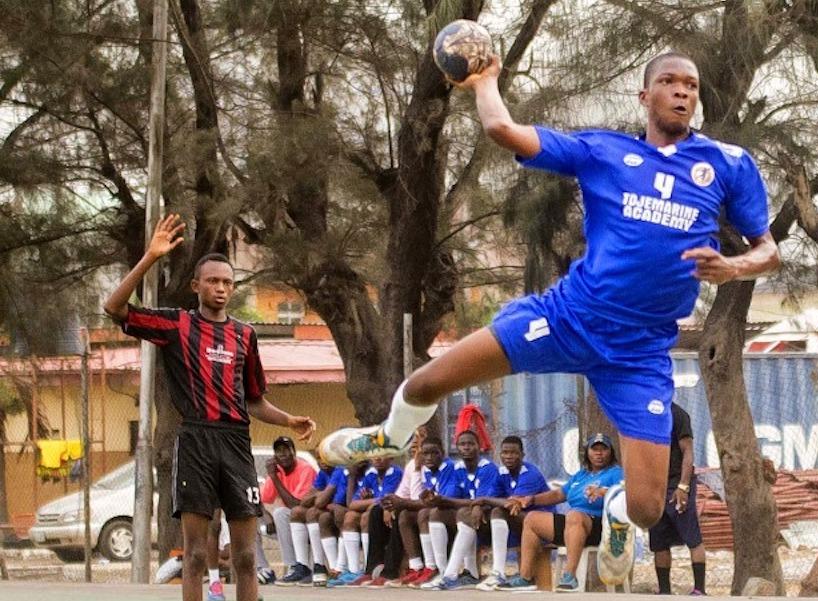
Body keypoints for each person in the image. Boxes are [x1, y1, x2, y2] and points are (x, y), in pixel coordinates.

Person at [318, 48, 780, 580]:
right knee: (426, 383)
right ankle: (388, 436)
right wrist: (486, 81)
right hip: (567, 317)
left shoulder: (728, 163)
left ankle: (616, 518)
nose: (683, 92)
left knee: (649, 508)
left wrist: (733, 265)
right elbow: (502, 130)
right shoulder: (602, 151)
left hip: (639, 352)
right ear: (645, 96)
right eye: (670, 82)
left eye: (692, 85)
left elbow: (768, 249)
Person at [102, 215, 316, 601]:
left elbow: (253, 400)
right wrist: (151, 257)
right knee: (197, 555)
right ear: (195, 285)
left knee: (247, 557)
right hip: (196, 441)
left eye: (227, 282)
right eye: (213, 281)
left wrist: (288, 419)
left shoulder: (244, 335)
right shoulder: (176, 325)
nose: (220, 288)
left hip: (236, 444)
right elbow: (114, 307)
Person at [501, 434, 625, 592]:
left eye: (603, 449)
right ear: (587, 452)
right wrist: (530, 499)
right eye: (595, 449)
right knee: (532, 519)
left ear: (611, 453)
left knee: (574, 515)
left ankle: (570, 576)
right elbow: (558, 495)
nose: (599, 453)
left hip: (601, 526)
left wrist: (604, 492)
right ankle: (526, 577)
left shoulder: (616, 473)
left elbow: (624, 493)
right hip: (574, 525)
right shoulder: (582, 475)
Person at [418, 429, 499, 590]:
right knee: (436, 513)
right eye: (462, 444)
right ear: (457, 447)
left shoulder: (488, 467)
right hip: (468, 516)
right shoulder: (457, 469)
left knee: (464, 513)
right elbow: (452, 499)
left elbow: (483, 501)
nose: (466, 447)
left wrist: (461, 502)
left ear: (479, 446)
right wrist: (436, 499)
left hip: (490, 518)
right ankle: (442, 572)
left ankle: (451, 575)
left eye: (470, 444)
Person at [651, 401, 707, 596]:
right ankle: (664, 591)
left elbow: (688, 452)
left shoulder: (678, 414)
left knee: (693, 537)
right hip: (655, 487)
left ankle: (700, 590)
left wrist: (683, 486)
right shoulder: (645, 416)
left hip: (677, 484)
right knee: (658, 541)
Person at [484, 436, 555, 590]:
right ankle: (457, 574)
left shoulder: (531, 474)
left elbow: (513, 503)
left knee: (498, 511)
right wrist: (482, 504)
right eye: (505, 452)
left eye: (513, 453)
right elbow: (495, 499)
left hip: (542, 526)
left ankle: (498, 572)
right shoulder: (502, 472)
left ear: (522, 455)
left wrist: (485, 499)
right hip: (520, 521)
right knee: (481, 515)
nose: (509, 456)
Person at [382, 434, 446, 587]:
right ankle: (415, 567)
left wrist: (418, 469)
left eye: (418, 445)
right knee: (401, 514)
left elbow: (423, 500)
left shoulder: (442, 466)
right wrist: (390, 505)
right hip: (418, 507)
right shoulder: (413, 464)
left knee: (420, 513)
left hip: (439, 511)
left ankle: (431, 567)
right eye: (413, 446)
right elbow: (403, 492)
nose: (415, 450)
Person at [261, 436, 318, 586]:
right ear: (275, 456)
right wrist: (266, 516)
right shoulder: (277, 471)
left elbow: (295, 505)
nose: (283, 455)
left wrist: (274, 476)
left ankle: (294, 565)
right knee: (250, 517)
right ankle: (263, 569)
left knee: (281, 513)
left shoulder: (305, 468)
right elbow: (260, 500)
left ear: (294, 452)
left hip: (304, 521)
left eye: (287, 450)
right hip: (285, 525)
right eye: (279, 452)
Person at [345, 456, 404, 586]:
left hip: (398, 510)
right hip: (383, 511)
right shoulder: (371, 474)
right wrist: (376, 501)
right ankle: (370, 569)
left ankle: (390, 572)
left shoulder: (396, 473)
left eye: (382, 455)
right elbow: (353, 504)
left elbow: (389, 499)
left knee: (378, 512)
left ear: (392, 456)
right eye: (375, 455)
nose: (378, 459)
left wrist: (375, 502)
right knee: (373, 511)